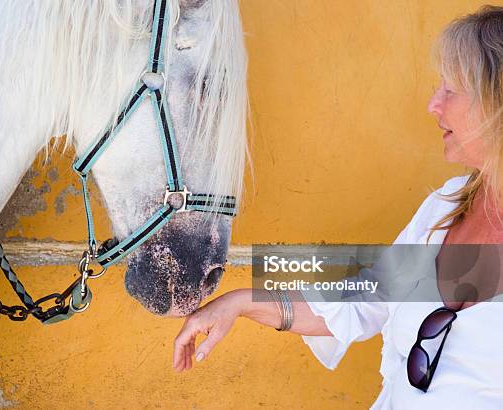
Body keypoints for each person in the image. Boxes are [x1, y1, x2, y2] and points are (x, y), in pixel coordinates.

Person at [172, 5, 503, 409]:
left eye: (451, 90)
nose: (433, 104)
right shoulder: (444, 209)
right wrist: (239, 302)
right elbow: (367, 298)